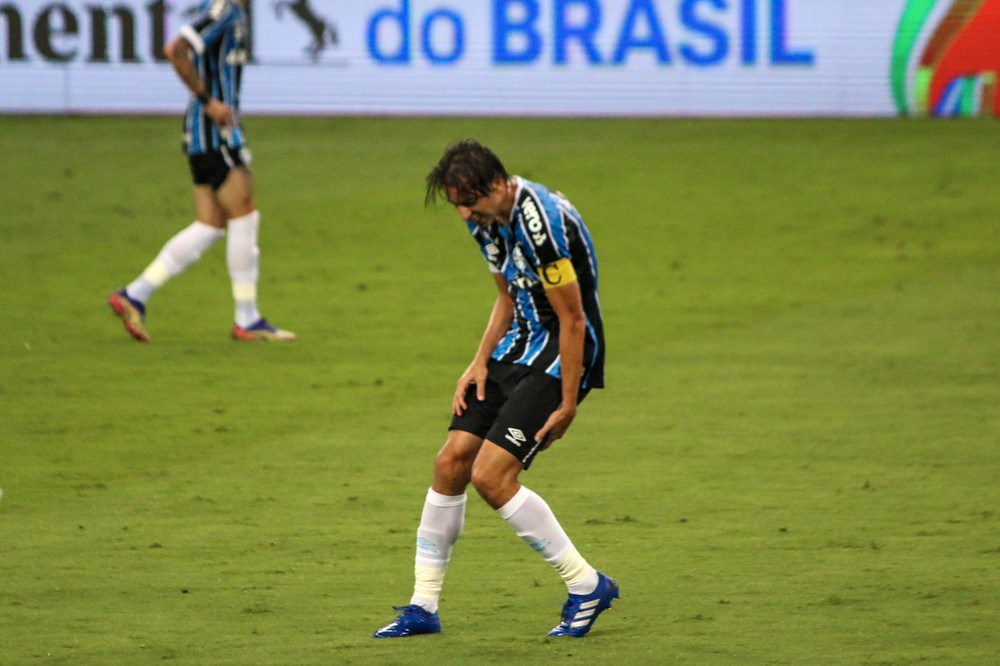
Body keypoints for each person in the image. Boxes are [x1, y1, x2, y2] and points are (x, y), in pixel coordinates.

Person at [373, 140, 617, 639]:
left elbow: (572, 320)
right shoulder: (482, 217)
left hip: (562, 353)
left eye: (468, 201)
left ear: (499, 185)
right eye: (456, 202)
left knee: (490, 476)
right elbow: (505, 295)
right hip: (516, 346)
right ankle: (423, 606)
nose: (462, 212)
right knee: (450, 462)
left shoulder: (540, 223)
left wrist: (570, 402)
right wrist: (478, 360)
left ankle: (587, 585)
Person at [108, 0, 294, 342]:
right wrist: (208, 101)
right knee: (245, 213)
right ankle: (247, 319)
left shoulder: (231, 11)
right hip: (212, 132)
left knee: (210, 224)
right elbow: (176, 49)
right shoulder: (223, 10)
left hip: (207, 132)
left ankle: (135, 294)